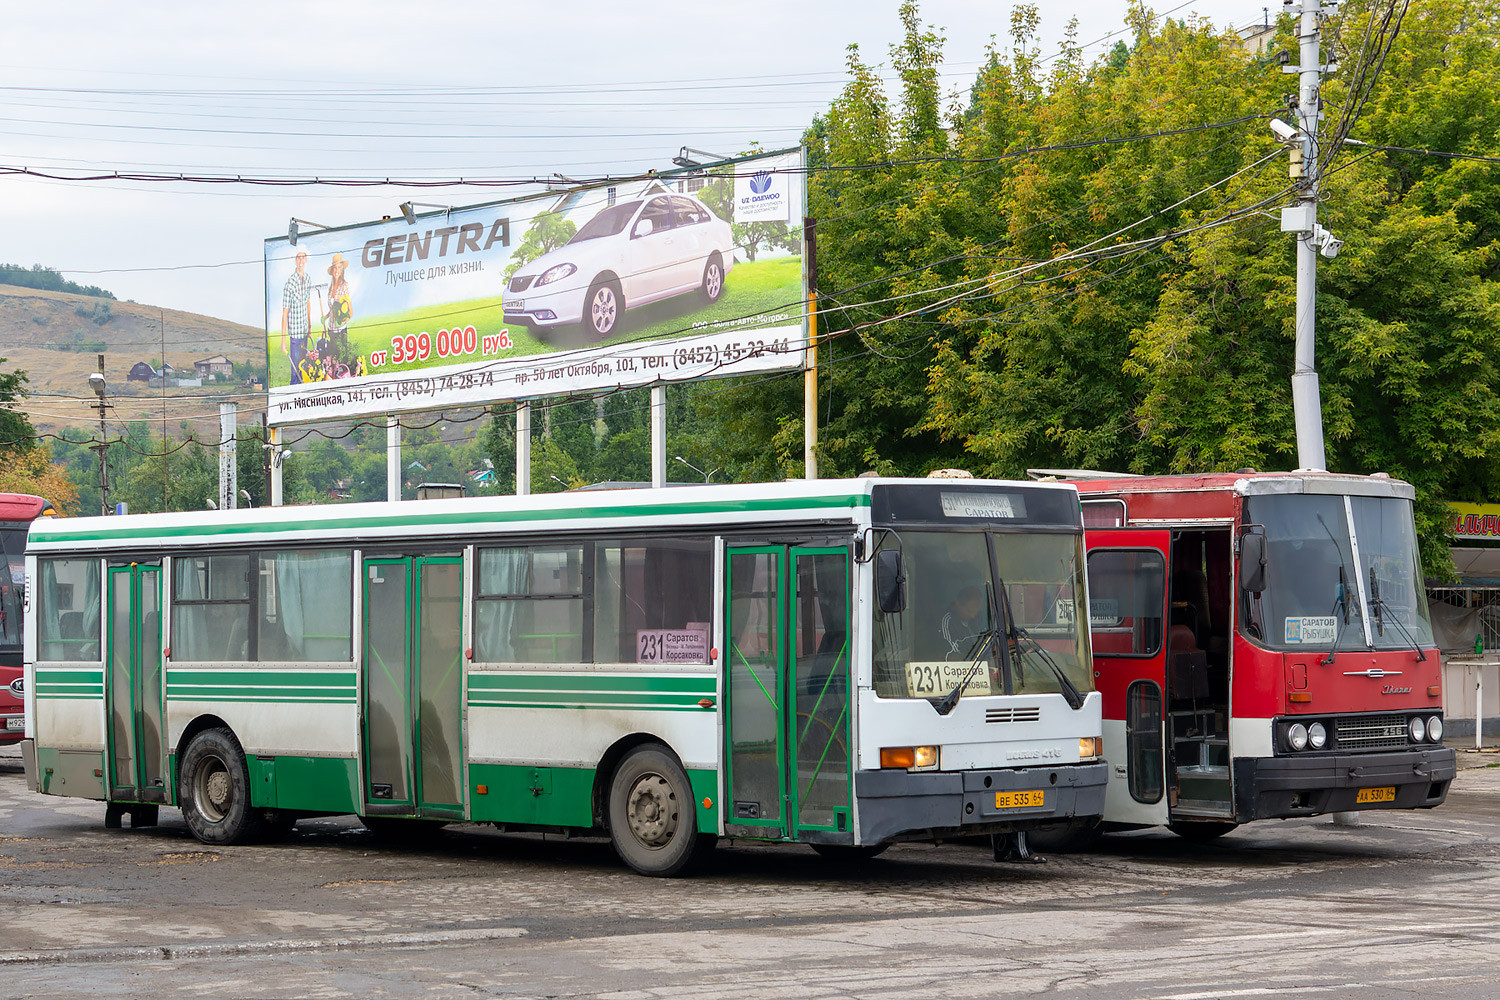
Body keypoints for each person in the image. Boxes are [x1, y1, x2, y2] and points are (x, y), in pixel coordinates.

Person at [280, 248, 313, 385]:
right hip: (295, 334)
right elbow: (285, 312)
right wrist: (283, 340)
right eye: (298, 258)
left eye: (303, 257)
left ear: (306, 260)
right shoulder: (290, 283)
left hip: (305, 331)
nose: (300, 260)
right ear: (295, 260)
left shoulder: (308, 279)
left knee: (304, 367)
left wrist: (309, 327)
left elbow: (308, 303)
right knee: (295, 370)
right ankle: (293, 396)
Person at [940, 585, 989, 659]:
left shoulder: (980, 617)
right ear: (957, 604)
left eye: (976, 611)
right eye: (969, 611)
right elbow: (952, 653)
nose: (973, 616)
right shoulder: (947, 621)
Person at [324, 252, 352, 369]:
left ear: (342, 270)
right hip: (331, 329)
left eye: (339, 267)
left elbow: (350, 312)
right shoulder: (331, 287)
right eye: (335, 267)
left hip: (340, 331)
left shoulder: (344, 286)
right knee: (331, 359)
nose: (336, 270)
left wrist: (343, 320)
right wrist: (325, 317)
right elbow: (332, 308)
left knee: (341, 360)